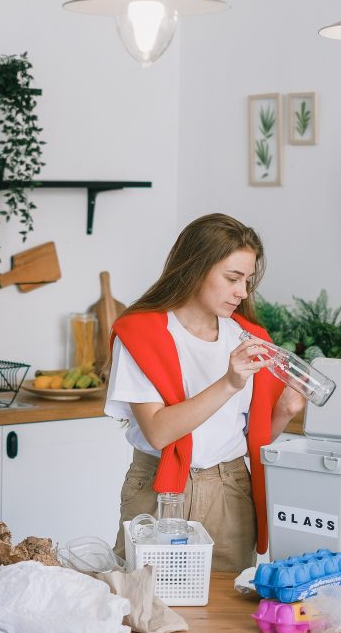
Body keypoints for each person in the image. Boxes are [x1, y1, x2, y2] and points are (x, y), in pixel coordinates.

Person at [106, 213, 306, 573]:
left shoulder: (249, 337)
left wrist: (285, 411)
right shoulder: (140, 335)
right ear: (195, 268)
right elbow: (158, 430)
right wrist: (229, 382)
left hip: (230, 489)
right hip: (158, 488)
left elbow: (249, 437)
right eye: (232, 278)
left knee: (227, 617)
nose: (243, 292)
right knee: (145, 608)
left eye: (247, 280)